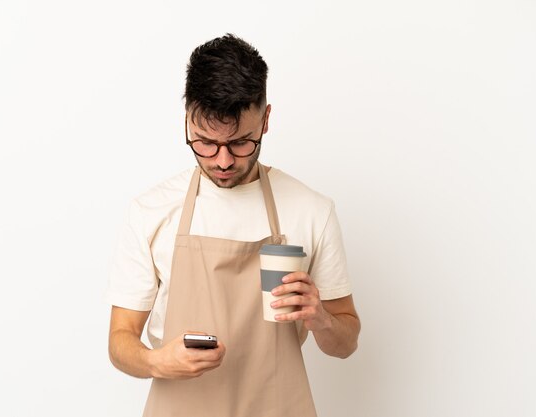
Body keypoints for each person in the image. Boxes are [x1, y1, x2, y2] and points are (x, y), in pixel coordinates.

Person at [106, 34, 360, 417]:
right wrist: (159, 362)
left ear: (266, 119)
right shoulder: (152, 210)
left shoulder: (311, 210)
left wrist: (320, 318)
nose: (223, 160)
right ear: (187, 120)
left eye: (242, 142)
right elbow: (119, 340)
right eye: (206, 142)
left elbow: (346, 341)